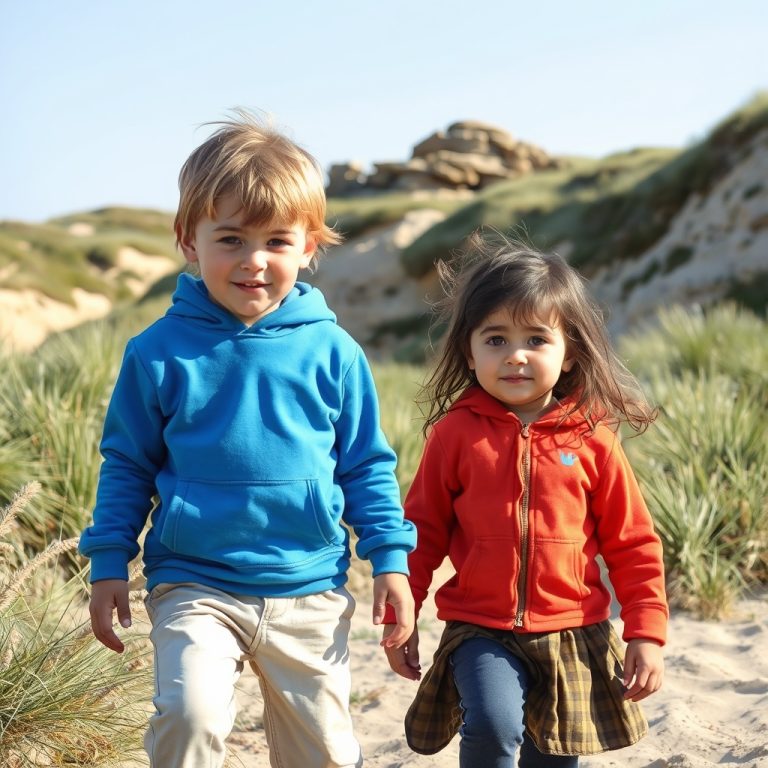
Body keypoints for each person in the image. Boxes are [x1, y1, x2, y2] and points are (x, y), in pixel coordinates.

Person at [78, 111, 416, 768]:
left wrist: (391, 562)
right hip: (194, 583)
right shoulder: (156, 353)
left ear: (310, 246)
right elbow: (126, 466)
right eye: (230, 239)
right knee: (189, 716)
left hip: (311, 585)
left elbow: (368, 465)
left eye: (277, 242)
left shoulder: (334, 353)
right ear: (189, 241)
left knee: (324, 755)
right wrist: (109, 561)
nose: (254, 261)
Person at [382, 233, 668, 767]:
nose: (516, 356)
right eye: (495, 339)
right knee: (492, 727)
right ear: (469, 351)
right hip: (479, 629)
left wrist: (645, 632)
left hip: (574, 629)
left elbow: (633, 544)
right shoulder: (455, 435)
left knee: (553, 755)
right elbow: (422, 531)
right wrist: (404, 613)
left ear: (569, 352)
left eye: (537, 339)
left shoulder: (591, 439)